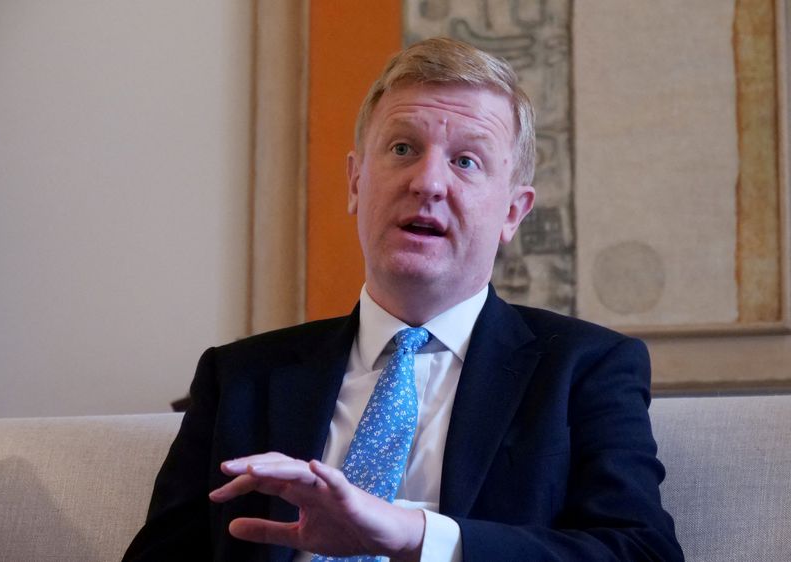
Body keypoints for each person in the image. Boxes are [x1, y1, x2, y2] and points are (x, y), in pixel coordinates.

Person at [124, 37, 683, 561]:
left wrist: (414, 535)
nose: (427, 183)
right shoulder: (241, 377)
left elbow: (642, 552)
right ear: (355, 183)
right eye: (402, 148)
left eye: (466, 161)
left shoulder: (585, 368)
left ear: (513, 212)